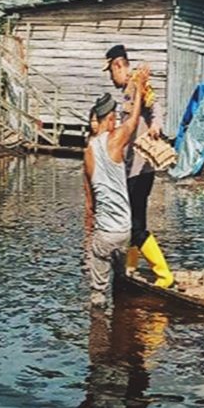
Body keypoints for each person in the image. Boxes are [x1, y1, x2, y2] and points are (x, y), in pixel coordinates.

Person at [104, 44, 174, 288]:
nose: (110, 77)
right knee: (132, 220)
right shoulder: (126, 90)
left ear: (118, 65)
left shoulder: (136, 83)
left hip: (141, 168)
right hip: (130, 169)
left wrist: (156, 125)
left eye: (111, 71)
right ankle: (131, 267)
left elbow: (155, 105)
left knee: (137, 225)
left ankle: (165, 275)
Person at [83, 84, 148, 306]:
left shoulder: (87, 153)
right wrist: (139, 92)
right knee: (120, 281)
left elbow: (90, 200)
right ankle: (121, 323)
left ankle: (98, 329)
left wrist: (89, 229)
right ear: (110, 118)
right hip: (123, 230)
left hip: (103, 233)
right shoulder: (117, 139)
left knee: (97, 294)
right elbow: (135, 119)